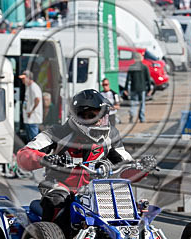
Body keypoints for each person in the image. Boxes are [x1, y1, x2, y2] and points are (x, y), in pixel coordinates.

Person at [16, 89, 151, 231]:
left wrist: (141, 169)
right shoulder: (57, 133)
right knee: (58, 201)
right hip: (60, 185)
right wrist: (45, 159)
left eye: (101, 116)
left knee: (128, 205)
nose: (99, 122)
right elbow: (23, 155)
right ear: (79, 117)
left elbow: (124, 165)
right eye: (93, 116)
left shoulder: (110, 136)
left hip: (95, 188)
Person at [125, 52, 152, 122]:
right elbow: (148, 79)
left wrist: (126, 89)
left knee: (134, 103)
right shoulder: (144, 67)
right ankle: (142, 118)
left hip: (133, 88)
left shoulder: (131, 67)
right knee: (142, 104)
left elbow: (128, 79)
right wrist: (149, 89)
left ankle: (132, 114)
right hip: (142, 88)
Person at [20, 70, 43, 140]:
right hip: (29, 119)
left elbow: (37, 99)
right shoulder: (29, 87)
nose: (22, 80)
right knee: (30, 140)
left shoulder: (34, 87)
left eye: (23, 78)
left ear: (28, 78)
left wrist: (31, 111)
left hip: (33, 119)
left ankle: (35, 151)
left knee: (33, 140)